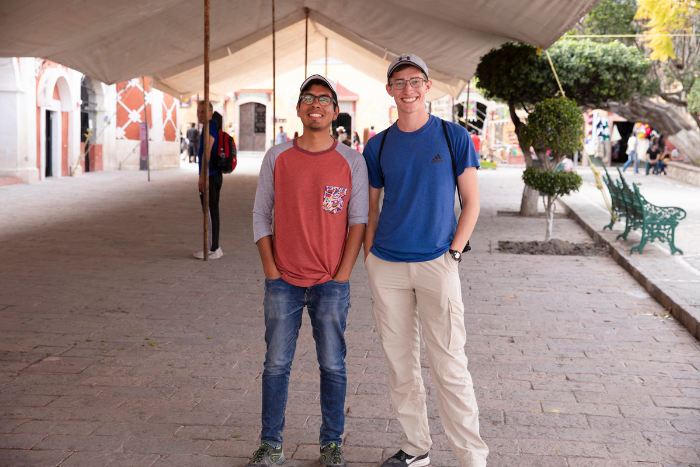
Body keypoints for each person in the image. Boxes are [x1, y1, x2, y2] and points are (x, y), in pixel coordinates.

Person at [363, 54, 488, 467]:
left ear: (428, 86)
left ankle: (472, 457)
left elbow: (471, 202)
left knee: (449, 364)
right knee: (400, 365)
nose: (408, 90)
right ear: (389, 91)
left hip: (438, 262)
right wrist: (369, 256)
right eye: (399, 83)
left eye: (415, 81)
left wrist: (453, 253)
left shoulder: (453, 137)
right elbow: (373, 207)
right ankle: (416, 448)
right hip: (387, 266)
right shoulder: (377, 145)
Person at [250, 74, 368, 467]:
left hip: (331, 284)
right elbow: (260, 214)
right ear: (299, 109)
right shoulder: (276, 157)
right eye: (307, 98)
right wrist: (270, 269)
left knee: (332, 364)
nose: (314, 103)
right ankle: (271, 444)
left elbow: (358, 221)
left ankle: (331, 444)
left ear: (336, 111)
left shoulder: (352, 160)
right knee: (276, 365)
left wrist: (343, 274)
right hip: (282, 281)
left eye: (323, 99)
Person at [193, 101, 223, 259]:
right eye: (198, 111)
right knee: (212, 211)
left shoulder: (209, 126)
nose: (199, 114)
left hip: (210, 175)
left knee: (209, 213)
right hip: (214, 174)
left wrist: (202, 176)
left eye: (203, 112)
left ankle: (213, 248)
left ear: (210, 113)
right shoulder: (212, 125)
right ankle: (215, 247)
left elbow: (207, 151)